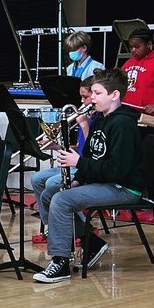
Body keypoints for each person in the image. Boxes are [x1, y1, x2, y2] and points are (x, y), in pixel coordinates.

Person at [33, 69, 144, 284]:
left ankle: (60, 261)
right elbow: (90, 156)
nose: (91, 98)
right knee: (50, 193)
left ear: (114, 96)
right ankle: (90, 242)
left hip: (123, 187)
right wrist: (77, 179)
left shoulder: (123, 124)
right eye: (92, 93)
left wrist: (78, 164)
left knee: (62, 200)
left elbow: (117, 170)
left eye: (97, 93)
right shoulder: (100, 120)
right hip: (104, 181)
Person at [30, 82, 96, 234]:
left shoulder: (95, 119)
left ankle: (82, 228)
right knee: (37, 179)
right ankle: (51, 226)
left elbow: (91, 150)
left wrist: (85, 125)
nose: (81, 101)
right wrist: (56, 147)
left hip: (85, 167)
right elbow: (79, 148)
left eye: (85, 97)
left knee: (52, 183)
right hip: (76, 163)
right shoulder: (86, 116)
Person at [121, 28, 154, 121]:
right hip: (127, 113)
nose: (133, 50)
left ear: (149, 44)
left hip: (152, 117)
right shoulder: (128, 62)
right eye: (131, 47)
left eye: (137, 47)